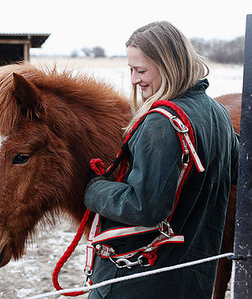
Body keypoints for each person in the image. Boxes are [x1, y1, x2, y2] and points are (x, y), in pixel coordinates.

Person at [84, 21, 239, 299]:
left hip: (141, 283)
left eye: (141, 70)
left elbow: (144, 206)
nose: (134, 79)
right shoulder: (218, 114)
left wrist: (94, 189)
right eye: (131, 70)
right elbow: (237, 171)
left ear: (169, 65)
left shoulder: (161, 123)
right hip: (194, 280)